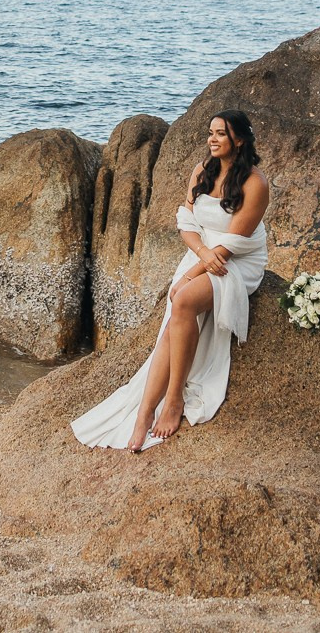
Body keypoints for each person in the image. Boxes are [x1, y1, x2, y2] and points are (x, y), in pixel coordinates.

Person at [70, 110, 270, 451]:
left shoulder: (255, 183)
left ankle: (174, 399)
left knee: (184, 300)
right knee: (171, 324)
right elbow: (186, 221)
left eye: (220, 134)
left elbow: (237, 240)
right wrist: (200, 257)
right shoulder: (202, 171)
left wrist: (197, 269)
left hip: (237, 259)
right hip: (202, 252)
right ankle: (144, 414)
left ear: (239, 139)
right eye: (210, 132)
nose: (212, 139)